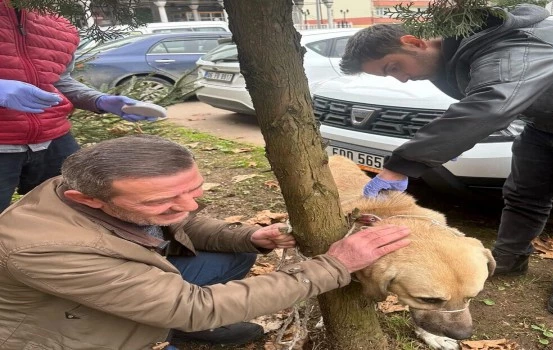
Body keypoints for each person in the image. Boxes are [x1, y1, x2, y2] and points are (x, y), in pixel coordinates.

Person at [339, 4, 553, 317]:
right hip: (548, 124)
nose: (401, 80)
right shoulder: (454, 58)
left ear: (414, 42)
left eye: (393, 68)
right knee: (523, 196)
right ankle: (510, 257)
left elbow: (489, 105)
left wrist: (401, 165)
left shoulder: (514, 47)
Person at [0, 135, 411, 349]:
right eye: (162, 200)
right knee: (194, 310)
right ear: (86, 199)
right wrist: (334, 266)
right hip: (69, 335)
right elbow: (194, 306)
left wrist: (248, 236)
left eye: (193, 189)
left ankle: (177, 329)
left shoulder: (80, 184)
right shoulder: (45, 248)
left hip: (123, 291)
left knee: (232, 256)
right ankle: (165, 334)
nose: (189, 204)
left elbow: (182, 221)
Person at [0, 1, 159, 213]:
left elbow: (59, 79)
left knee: (73, 213)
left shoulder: (60, 26)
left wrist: (99, 100)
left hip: (54, 140)